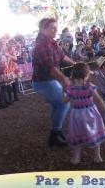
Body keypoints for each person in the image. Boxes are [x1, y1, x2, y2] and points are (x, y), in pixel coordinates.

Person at [32, 18, 75, 147]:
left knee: (57, 105)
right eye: (52, 28)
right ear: (43, 29)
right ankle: (55, 134)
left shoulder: (51, 42)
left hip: (49, 80)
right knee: (64, 103)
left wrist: (76, 63)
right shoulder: (41, 46)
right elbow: (51, 68)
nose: (55, 30)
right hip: (43, 82)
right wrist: (64, 79)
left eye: (56, 27)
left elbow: (62, 56)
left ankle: (57, 131)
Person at [64, 62, 105, 164]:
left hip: (76, 115)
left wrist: (64, 91)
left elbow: (64, 100)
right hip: (91, 113)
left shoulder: (70, 88)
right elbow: (99, 100)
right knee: (94, 133)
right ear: (87, 75)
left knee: (77, 135)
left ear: (73, 75)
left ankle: (76, 157)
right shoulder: (90, 86)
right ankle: (97, 156)